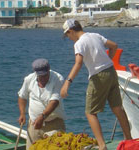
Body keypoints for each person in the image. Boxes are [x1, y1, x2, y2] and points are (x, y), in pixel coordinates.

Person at [60, 19, 132, 150]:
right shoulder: (95, 35)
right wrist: (108, 60)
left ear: (71, 31)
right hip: (111, 71)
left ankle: (102, 145)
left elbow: (78, 63)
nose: (69, 38)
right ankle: (129, 139)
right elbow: (114, 46)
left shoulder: (79, 43)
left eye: (67, 35)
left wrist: (67, 82)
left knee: (90, 112)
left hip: (98, 76)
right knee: (117, 107)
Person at [18, 58, 66, 150]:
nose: (43, 78)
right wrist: (22, 113)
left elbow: (55, 101)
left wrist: (42, 116)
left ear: (49, 70)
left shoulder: (58, 78)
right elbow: (22, 97)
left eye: (45, 75)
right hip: (33, 125)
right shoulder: (29, 79)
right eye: (40, 76)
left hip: (54, 123)